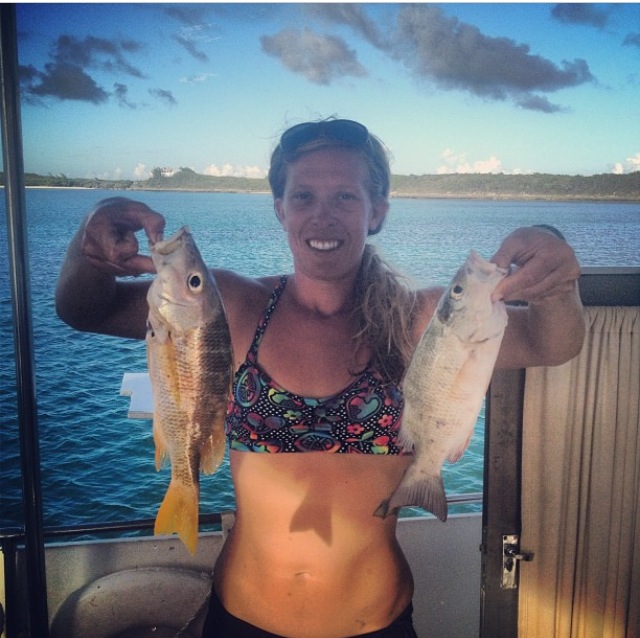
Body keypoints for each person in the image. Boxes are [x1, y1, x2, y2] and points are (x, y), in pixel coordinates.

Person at [55, 118, 585, 637]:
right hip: (241, 618)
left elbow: (551, 343)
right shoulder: (232, 305)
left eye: (345, 197)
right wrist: (91, 243)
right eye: (303, 197)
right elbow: (84, 309)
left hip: (375, 624)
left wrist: (557, 280)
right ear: (280, 209)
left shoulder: (420, 321)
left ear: (377, 211)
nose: (322, 217)